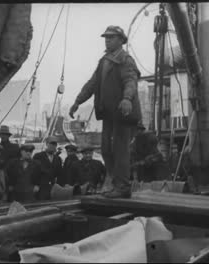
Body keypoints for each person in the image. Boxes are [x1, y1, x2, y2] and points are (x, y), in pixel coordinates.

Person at [69, 25, 141, 198]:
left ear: (121, 40)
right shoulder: (105, 61)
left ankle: (122, 187)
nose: (107, 40)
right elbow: (92, 84)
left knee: (120, 150)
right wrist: (78, 101)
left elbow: (130, 80)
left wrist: (126, 99)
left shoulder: (125, 60)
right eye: (106, 37)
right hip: (109, 114)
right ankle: (117, 184)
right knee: (107, 150)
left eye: (111, 37)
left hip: (123, 113)